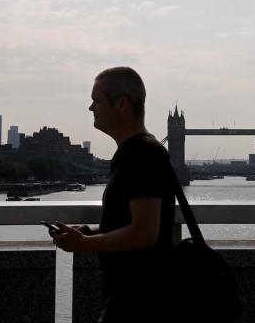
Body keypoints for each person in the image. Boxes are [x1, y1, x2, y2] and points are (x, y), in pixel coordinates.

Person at [51, 67, 176, 323]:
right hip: (130, 299)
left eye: (96, 100)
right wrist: (91, 232)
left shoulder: (143, 155)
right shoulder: (131, 153)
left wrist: (84, 245)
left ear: (121, 104)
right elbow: (131, 225)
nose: (90, 108)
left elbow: (144, 233)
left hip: (140, 304)